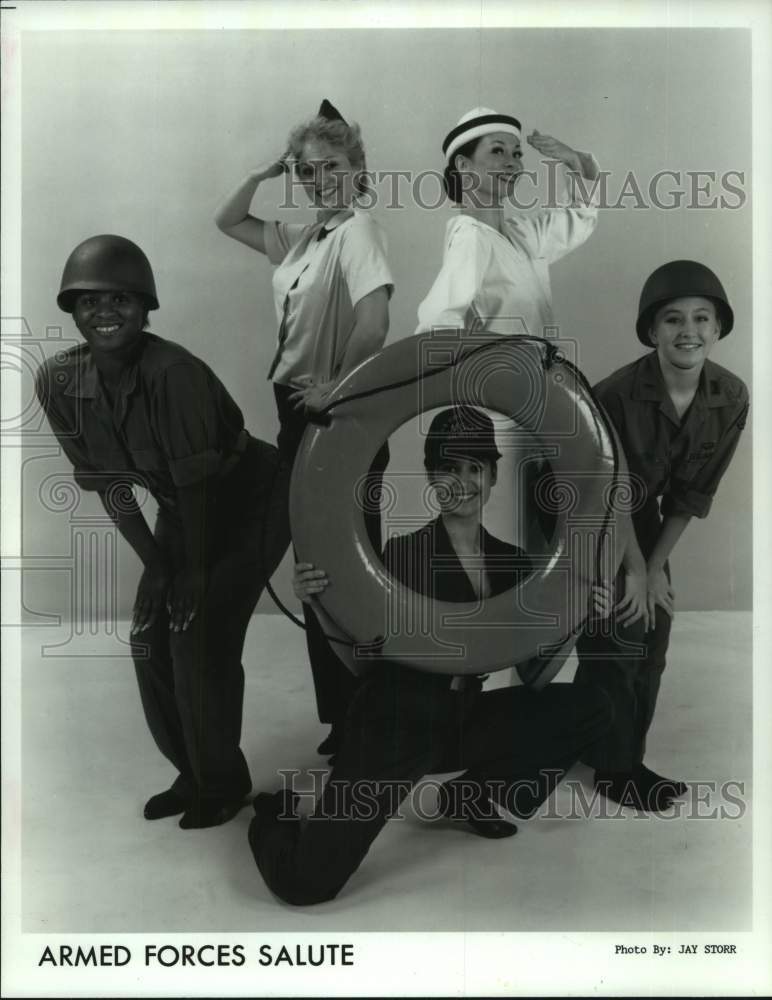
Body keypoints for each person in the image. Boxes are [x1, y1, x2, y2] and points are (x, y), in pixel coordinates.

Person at [247, 406, 614, 905]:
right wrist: (319, 603)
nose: (462, 482)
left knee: (592, 707)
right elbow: (362, 661)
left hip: (462, 718)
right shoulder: (398, 557)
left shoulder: (514, 563)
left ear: (492, 476)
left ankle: (469, 795)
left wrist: (575, 621)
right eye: (449, 468)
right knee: (306, 885)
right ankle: (275, 817)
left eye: (475, 468)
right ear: (430, 477)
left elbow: (531, 674)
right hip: (394, 723)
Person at [35, 235, 290, 829]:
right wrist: (157, 565)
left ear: (147, 307)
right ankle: (195, 771)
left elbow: (203, 485)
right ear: (71, 309)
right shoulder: (59, 382)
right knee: (149, 637)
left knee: (199, 637)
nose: (105, 312)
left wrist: (191, 572)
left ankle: (223, 786)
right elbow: (111, 486)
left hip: (253, 499)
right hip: (184, 506)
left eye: (121, 298)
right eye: (90, 301)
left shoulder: (171, 372)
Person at [215, 99, 393, 760]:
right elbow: (226, 217)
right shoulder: (302, 240)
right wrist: (267, 168)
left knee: (354, 567)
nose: (320, 179)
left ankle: (369, 717)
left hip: (342, 415)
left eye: (332, 166)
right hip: (295, 414)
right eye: (308, 170)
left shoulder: (359, 231)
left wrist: (334, 390)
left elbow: (374, 325)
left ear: (357, 169)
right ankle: (345, 718)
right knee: (318, 570)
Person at [574, 260, 749, 811]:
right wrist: (631, 570)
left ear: (718, 328)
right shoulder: (616, 395)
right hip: (582, 508)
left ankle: (606, 743)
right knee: (622, 629)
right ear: (651, 331)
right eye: (672, 320)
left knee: (656, 629)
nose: (688, 331)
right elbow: (608, 490)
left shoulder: (731, 396)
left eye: (702, 318)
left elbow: (692, 495)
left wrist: (653, 568)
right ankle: (615, 769)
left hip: (641, 513)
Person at [416, 106, 600, 339]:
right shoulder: (471, 237)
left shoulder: (522, 235)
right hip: (501, 374)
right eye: (497, 151)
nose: (514, 164)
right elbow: (436, 326)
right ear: (463, 166)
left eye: (516, 154)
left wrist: (575, 160)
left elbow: (579, 217)